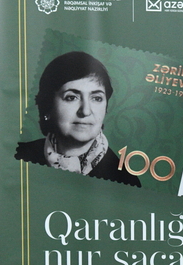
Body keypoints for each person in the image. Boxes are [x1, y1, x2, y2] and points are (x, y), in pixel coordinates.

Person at [15, 51, 141, 187]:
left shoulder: (126, 180)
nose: (85, 111)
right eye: (71, 97)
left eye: (96, 98)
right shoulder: (18, 156)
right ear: (48, 106)